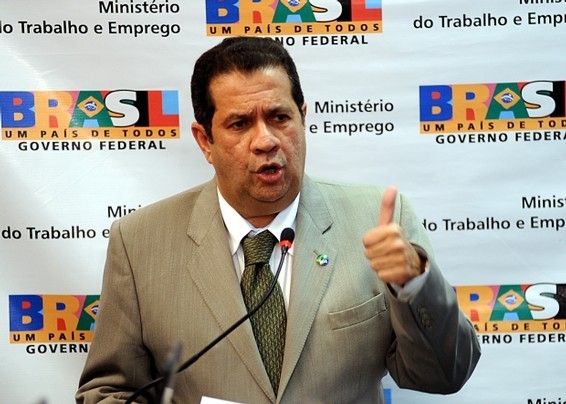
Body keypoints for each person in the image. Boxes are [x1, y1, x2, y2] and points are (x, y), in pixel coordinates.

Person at [76, 36, 480, 403]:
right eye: (239, 124)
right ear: (205, 141)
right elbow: (109, 390)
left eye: (279, 117)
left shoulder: (377, 222)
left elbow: (446, 374)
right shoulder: (140, 242)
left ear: (302, 118)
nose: (266, 140)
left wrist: (415, 284)